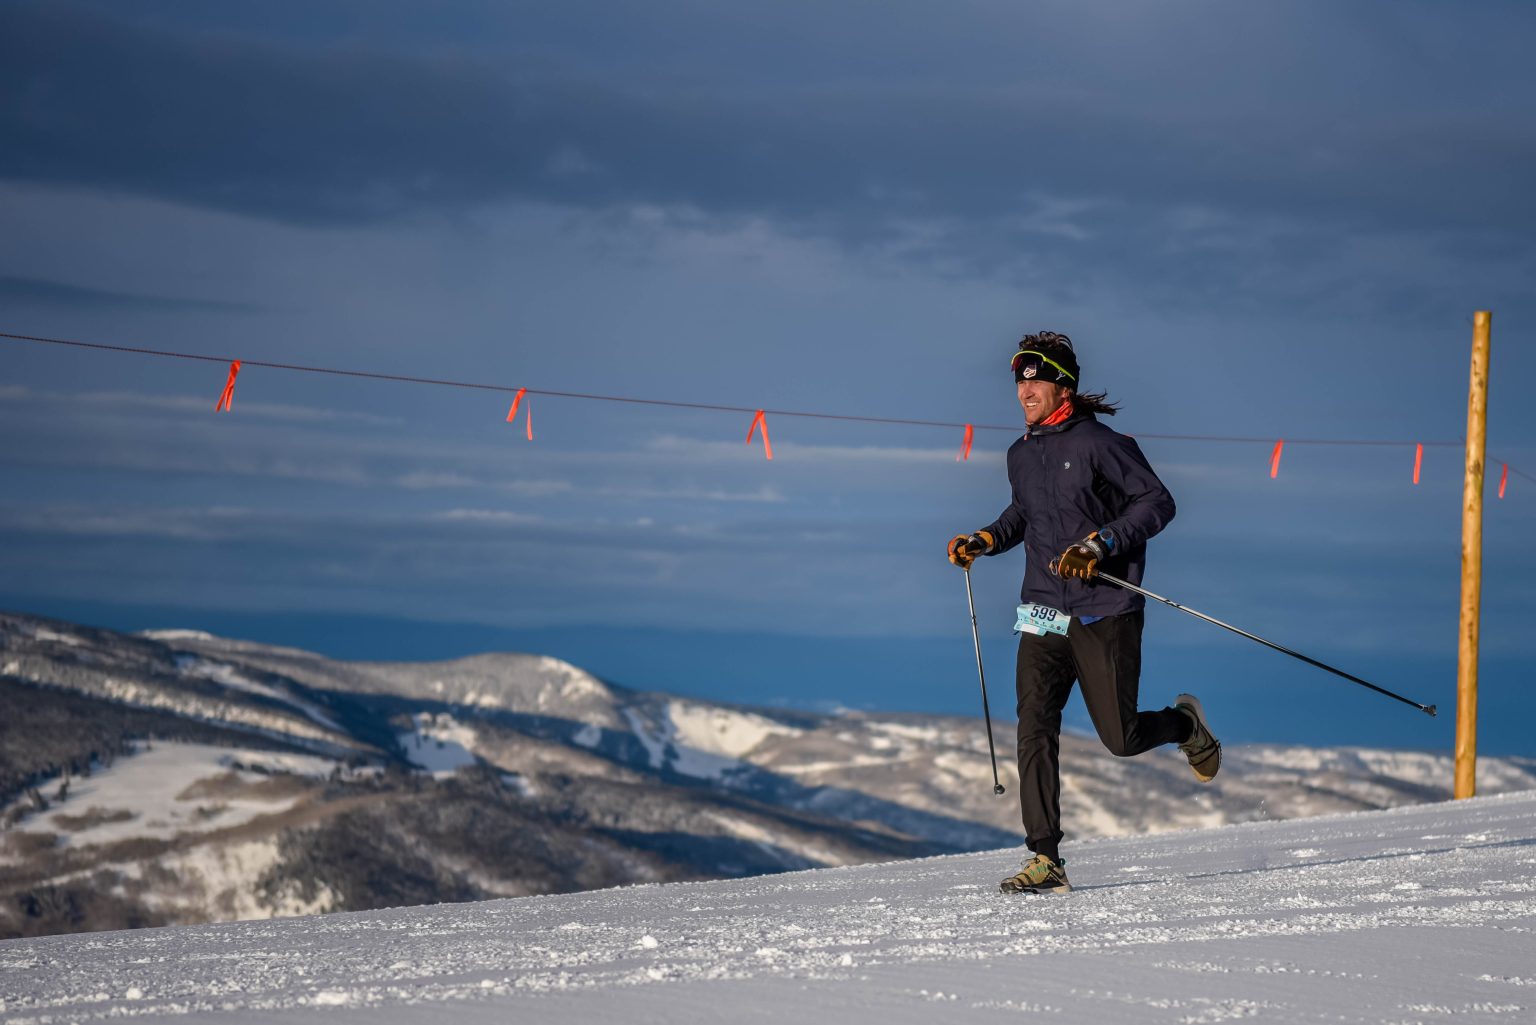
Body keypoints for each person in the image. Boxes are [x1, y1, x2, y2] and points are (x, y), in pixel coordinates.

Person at [947, 331, 1220, 895]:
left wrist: (1102, 545)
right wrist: (984, 539)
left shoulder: (1101, 443)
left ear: (1062, 384)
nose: (1024, 390)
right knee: (1033, 728)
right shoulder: (1021, 453)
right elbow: (1023, 514)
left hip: (1104, 611)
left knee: (1120, 739)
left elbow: (1157, 502)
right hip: (1042, 612)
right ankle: (1046, 859)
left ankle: (1185, 724)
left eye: (1035, 379)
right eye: (1018, 381)